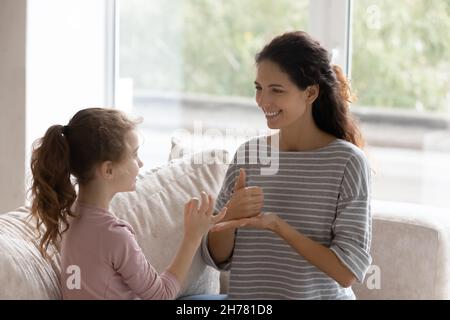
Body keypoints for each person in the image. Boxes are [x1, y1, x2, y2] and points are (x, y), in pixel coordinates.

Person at [202, 31, 372, 299]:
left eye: (276, 90)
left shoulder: (347, 162)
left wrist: (278, 227)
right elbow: (216, 258)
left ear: (311, 92)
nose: (263, 101)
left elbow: (347, 271)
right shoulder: (249, 154)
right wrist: (231, 217)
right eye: (259, 88)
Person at [29, 107, 227, 299]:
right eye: (134, 154)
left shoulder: (67, 218)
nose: (140, 163)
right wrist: (193, 236)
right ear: (108, 170)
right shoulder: (113, 235)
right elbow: (161, 295)